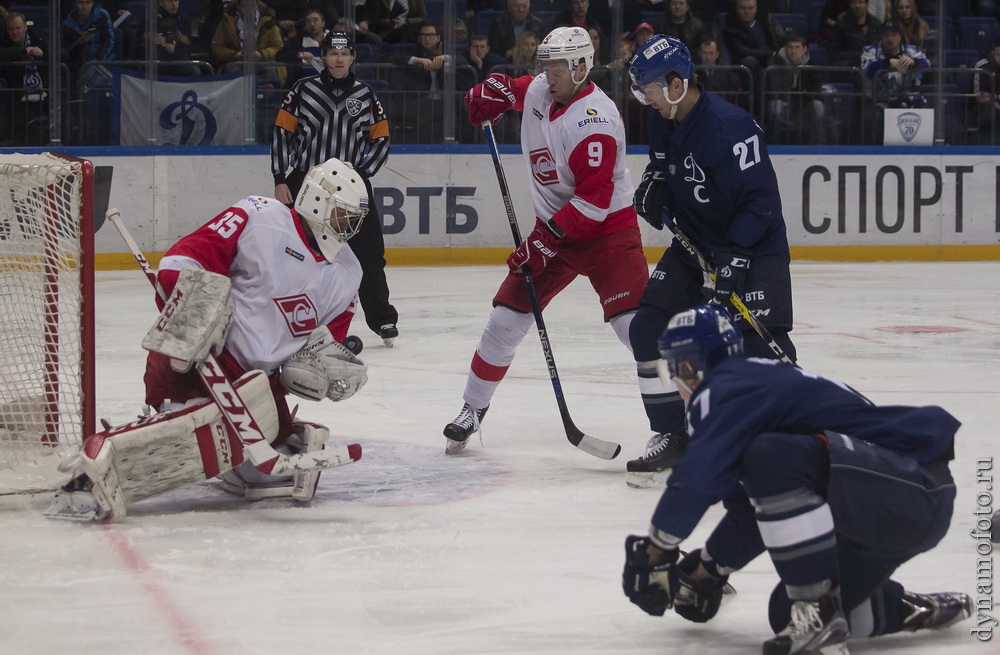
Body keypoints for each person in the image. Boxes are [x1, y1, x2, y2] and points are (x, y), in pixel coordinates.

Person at [621, 304, 971, 653]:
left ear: (689, 367)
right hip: (898, 504)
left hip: (911, 488)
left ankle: (816, 611)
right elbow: (750, 515)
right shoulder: (747, 385)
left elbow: (699, 476)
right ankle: (912, 609)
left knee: (770, 456)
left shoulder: (724, 388)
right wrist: (708, 571)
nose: (675, 384)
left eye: (672, 371)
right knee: (785, 611)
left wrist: (656, 549)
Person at [44, 158, 371, 522]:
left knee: (266, 480)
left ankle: (245, 452)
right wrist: (200, 312)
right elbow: (180, 262)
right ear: (317, 201)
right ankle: (89, 479)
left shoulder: (348, 272)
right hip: (199, 364)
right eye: (343, 216)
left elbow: (323, 344)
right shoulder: (259, 215)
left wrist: (312, 370)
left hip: (257, 389)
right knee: (182, 442)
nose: (350, 227)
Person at [443, 26, 649, 454]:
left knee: (636, 329)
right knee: (503, 322)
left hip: (608, 232)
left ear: (580, 66)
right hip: (556, 230)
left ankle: (690, 416)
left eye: (555, 67)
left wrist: (542, 243)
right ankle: (471, 408)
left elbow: (594, 203)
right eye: (544, 66)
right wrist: (487, 94)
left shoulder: (596, 121)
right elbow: (508, 90)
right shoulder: (543, 90)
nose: (546, 75)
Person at [624, 35, 795, 488]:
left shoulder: (729, 127)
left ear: (677, 83)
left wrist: (736, 257)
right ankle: (670, 434)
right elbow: (662, 165)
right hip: (693, 244)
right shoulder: (664, 118)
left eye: (650, 89)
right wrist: (652, 185)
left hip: (753, 247)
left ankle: (796, 432)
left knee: (761, 346)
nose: (646, 100)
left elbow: (761, 202)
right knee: (647, 328)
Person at [272, 31, 399, 347]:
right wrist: (280, 178)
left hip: (351, 185)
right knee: (299, 255)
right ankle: (293, 318)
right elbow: (281, 133)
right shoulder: (303, 90)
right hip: (306, 182)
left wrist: (363, 174)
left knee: (369, 254)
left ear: (352, 57)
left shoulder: (366, 94)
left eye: (344, 54)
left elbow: (381, 138)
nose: (339, 59)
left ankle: (382, 318)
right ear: (323, 57)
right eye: (332, 53)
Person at [765, 33, 827, 145]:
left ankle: (819, 147)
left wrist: (797, 100)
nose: (793, 51)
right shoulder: (775, 63)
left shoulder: (812, 66)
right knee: (775, 105)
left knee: (818, 105)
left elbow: (816, 92)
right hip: (783, 106)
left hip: (803, 107)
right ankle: (773, 145)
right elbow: (771, 88)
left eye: (797, 47)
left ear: (804, 49)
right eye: (790, 47)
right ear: (785, 48)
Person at [0, 12, 49, 146]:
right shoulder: (3, 40)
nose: (14, 32)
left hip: (41, 89)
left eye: (18, 28)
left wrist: (43, 53)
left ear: (25, 27)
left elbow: (62, 53)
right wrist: (25, 51)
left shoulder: (36, 37)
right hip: (14, 90)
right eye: (11, 29)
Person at [210, 0, 285, 83]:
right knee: (234, 69)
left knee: (270, 70)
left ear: (257, 5)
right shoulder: (227, 22)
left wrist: (262, 54)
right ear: (238, 6)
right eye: (244, 6)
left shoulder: (268, 22)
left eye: (252, 5)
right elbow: (217, 47)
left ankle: (268, 95)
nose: (249, 9)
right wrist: (234, 54)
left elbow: (278, 47)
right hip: (236, 62)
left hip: (263, 61)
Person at [862, 19, 930, 108]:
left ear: (900, 37)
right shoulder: (870, 50)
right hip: (879, 101)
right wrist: (888, 62)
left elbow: (927, 64)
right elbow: (867, 70)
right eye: (886, 35)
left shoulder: (910, 50)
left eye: (893, 35)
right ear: (881, 37)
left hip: (907, 99)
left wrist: (914, 61)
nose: (889, 38)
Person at [61, 0, 116, 88]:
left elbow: (109, 41)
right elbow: (66, 50)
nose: (84, 6)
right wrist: (79, 42)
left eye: (88, 2)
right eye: (80, 2)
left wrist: (98, 61)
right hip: (77, 65)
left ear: (93, 3)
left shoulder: (101, 16)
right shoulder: (67, 24)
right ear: (75, 4)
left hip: (102, 62)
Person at [275, 7, 329, 87]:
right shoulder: (298, 40)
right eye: (308, 22)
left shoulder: (332, 39)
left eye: (315, 20)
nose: (312, 24)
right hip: (303, 86)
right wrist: (299, 54)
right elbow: (279, 56)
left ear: (323, 23)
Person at [827, 0, 882, 67]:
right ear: (850, 5)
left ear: (867, 5)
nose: (857, 5)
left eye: (860, 2)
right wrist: (860, 55)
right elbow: (833, 54)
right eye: (854, 2)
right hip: (851, 70)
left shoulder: (876, 25)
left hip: (873, 69)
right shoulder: (841, 26)